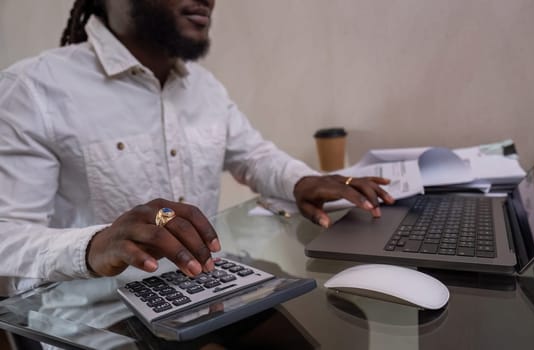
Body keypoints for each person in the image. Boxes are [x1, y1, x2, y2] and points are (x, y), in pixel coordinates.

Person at [0, 0, 394, 296]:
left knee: (336, 317)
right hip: (95, 323)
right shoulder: (34, 89)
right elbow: (6, 237)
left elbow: (254, 156)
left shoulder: (204, 87)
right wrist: (95, 244)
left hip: (206, 291)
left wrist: (301, 180)